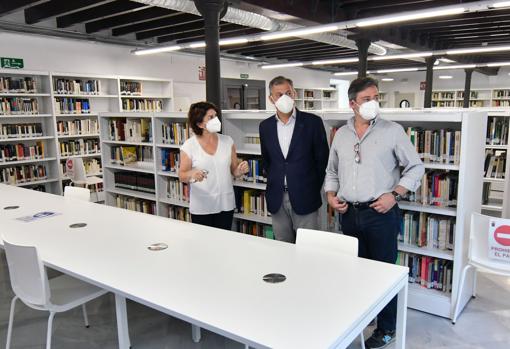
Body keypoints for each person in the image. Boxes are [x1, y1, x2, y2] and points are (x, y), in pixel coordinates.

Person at [324, 77, 425, 349]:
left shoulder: (392, 131)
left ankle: (387, 328)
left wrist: (394, 195)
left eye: (376, 97)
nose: (373, 103)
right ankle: (365, 316)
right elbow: (332, 170)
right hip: (349, 214)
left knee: (382, 275)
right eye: (367, 99)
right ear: (353, 103)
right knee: (356, 272)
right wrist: (331, 195)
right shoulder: (341, 135)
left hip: (380, 214)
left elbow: (415, 167)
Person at [259, 76, 329, 243]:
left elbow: (322, 160)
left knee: (308, 247)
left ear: (295, 94)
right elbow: (267, 160)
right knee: (283, 247)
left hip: (305, 195)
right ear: (271, 99)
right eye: (279, 94)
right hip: (277, 197)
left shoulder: (313, 122)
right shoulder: (265, 126)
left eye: (288, 92)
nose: (284, 97)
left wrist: (310, 185)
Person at [179, 101, 249, 230]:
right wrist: (192, 174)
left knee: (223, 243)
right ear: (199, 123)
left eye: (215, 116)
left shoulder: (228, 141)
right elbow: (182, 175)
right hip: (202, 206)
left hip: (225, 203)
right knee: (204, 246)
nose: (216, 119)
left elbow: (234, 171)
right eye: (210, 117)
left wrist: (240, 170)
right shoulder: (189, 146)